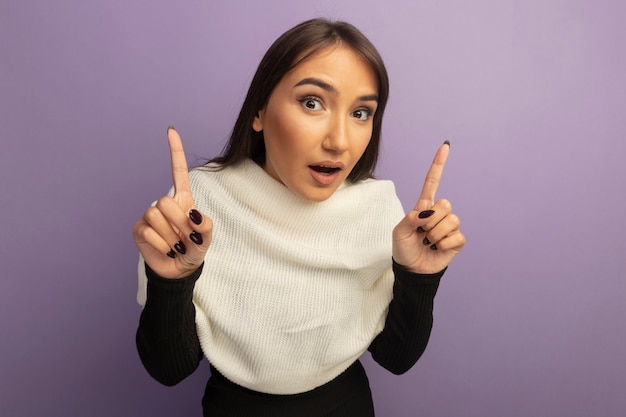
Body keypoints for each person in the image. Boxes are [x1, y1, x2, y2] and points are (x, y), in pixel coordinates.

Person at [133, 18, 465, 416]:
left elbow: (397, 359)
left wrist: (420, 278)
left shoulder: (378, 210)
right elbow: (169, 370)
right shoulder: (195, 210)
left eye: (361, 112)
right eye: (312, 103)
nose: (339, 141)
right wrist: (171, 282)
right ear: (259, 111)